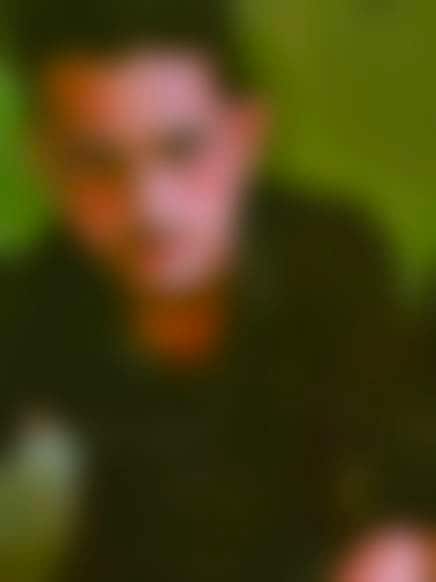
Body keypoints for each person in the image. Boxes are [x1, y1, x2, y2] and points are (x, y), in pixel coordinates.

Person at [2, 1, 405, 580]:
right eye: (97, 163)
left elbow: (403, 473)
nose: (149, 205)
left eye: (182, 149)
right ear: (45, 159)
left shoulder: (332, 262)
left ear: (246, 133)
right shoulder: (31, 306)